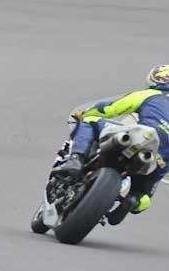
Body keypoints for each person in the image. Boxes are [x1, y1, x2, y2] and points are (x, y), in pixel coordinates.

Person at [53, 64, 169, 214]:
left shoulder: (151, 94)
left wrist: (85, 114)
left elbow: (110, 109)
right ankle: (131, 203)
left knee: (90, 121)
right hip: (161, 156)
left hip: (143, 134)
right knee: (144, 193)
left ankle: (76, 158)